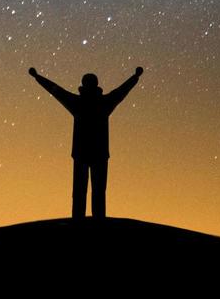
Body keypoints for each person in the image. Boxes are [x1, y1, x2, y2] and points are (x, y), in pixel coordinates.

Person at [28, 65, 143, 219]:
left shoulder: (78, 103)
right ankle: (97, 220)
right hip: (98, 153)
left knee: (80, 191)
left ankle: (79, 220)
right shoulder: (104, 103)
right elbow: (122, 91)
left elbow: (56, 90)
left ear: (83, 85)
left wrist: (38, 77)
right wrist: (135, 77)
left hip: (82, 153)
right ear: (96, 85)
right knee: (98, 191)